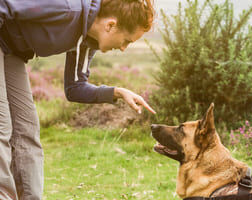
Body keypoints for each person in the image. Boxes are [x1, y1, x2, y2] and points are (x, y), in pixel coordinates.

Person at [0, 0, 156, 199]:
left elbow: (74, 88)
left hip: (12, 51)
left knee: (27, 130)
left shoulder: (87, 40)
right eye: (127, 40)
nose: (124, 48)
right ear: (110, 25)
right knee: (2, 127)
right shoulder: (66, 8)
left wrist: (117, 92)